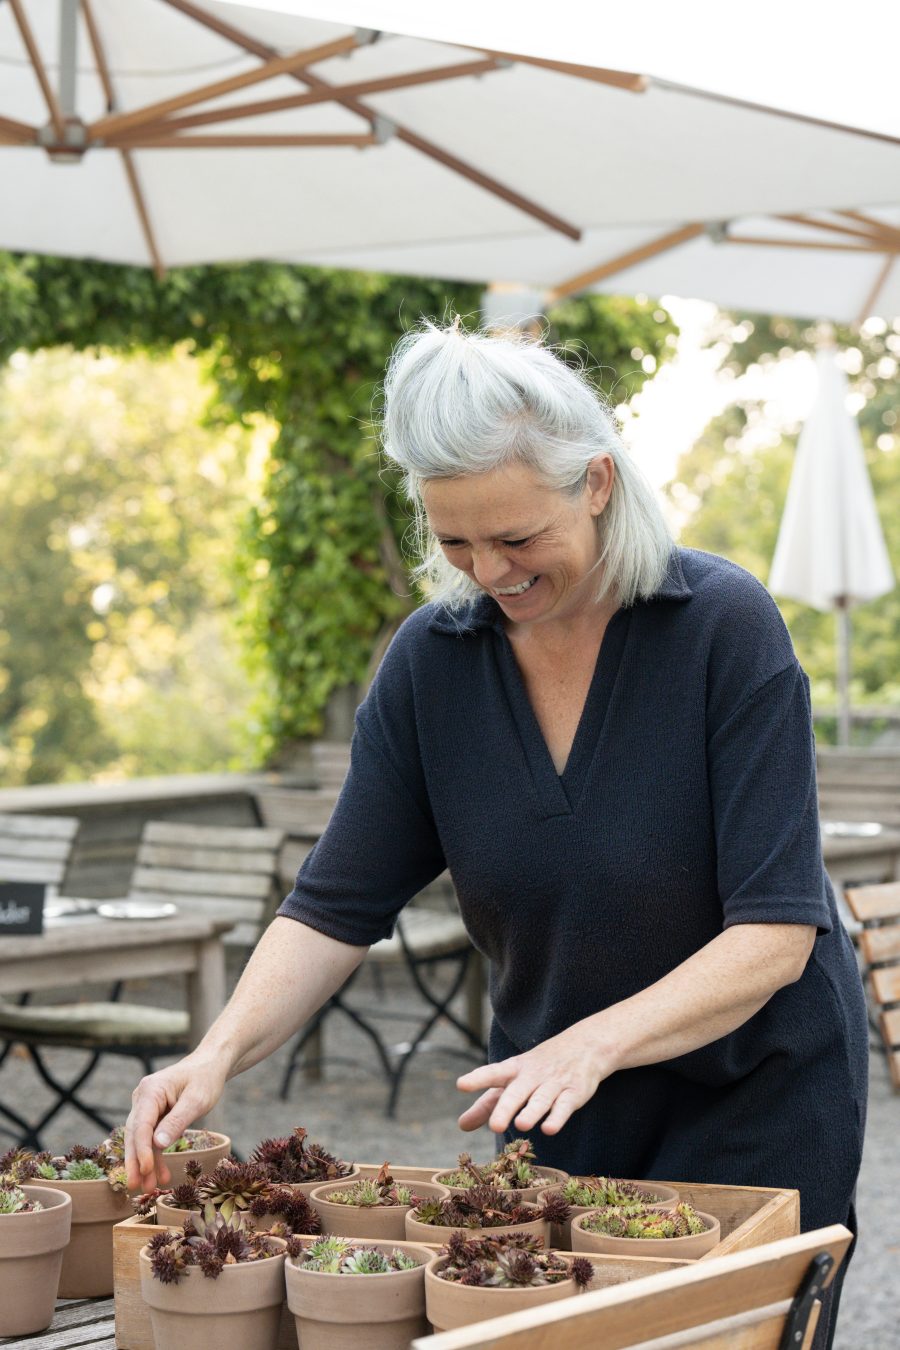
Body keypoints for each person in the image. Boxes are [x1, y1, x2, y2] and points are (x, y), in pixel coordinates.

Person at [126, 321, 867, 1349]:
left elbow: (775, 934)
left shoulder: (723, 629)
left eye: (516, 538)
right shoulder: (431, 668)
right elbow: (333, 907)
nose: (489, 570)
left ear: (596, 482)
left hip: (756, 1100)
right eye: (456, 543)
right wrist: (215, 1055)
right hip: (557, 1106)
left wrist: (593, 1043)